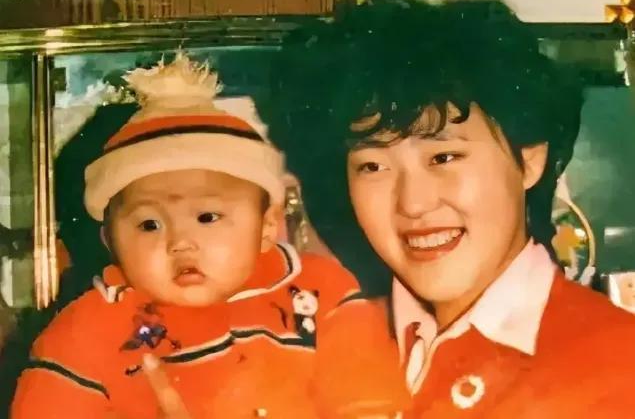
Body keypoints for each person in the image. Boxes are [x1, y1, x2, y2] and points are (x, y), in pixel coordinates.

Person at [265, 0, 635, 418]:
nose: (413, 204)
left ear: (529, 161)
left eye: (443, 158)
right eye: (372, 166)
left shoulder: (615, 366)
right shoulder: (316, 347)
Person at [11, 52, 408, 419]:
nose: (180, 242)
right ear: (110, 241)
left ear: (267, 226)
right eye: (149, 225)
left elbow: (369, 397)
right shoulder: (91, 328)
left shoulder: (320, 291)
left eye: (207, 217)